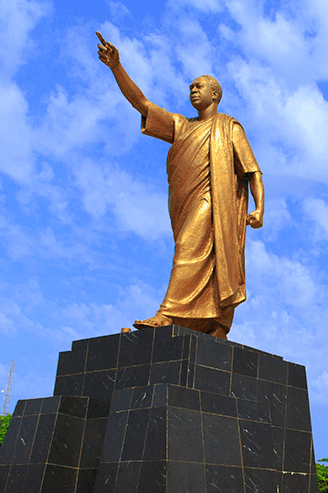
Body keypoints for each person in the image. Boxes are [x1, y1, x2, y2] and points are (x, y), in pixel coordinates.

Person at [97, 32, 264, 340]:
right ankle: (203, 323)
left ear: (215, 94)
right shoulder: (182, 126)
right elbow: (142, 104)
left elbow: (252, 170)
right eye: (190, 87)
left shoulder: (229, 127)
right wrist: (116, 67)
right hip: (184, 206)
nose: (192, 91)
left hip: (215, 205)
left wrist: (259, 209)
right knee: (190, 251)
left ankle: (167, 314)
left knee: (188, 250)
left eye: (199, 86)